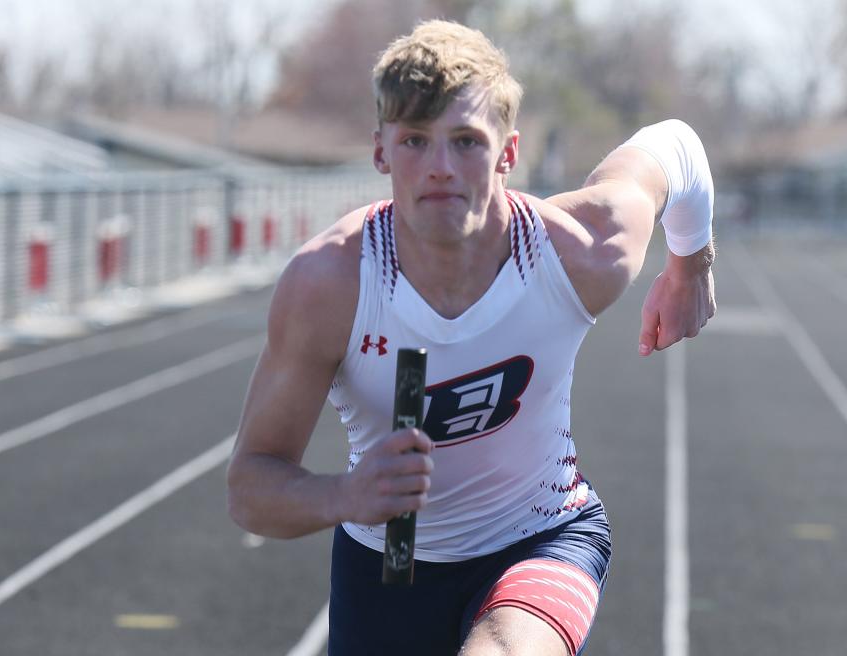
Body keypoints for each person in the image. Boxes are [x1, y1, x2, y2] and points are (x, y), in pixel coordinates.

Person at [228, 19, 715, 656]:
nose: (440, 168)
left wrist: (690, 264)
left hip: (542, 537)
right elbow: (250, 488)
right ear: (380, 151)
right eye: (415, 142)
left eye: (465, 141)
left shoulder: (579, 251)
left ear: (508, 153)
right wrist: (344, 495)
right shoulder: (331, 284)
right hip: (388, 569)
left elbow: (674, 144)